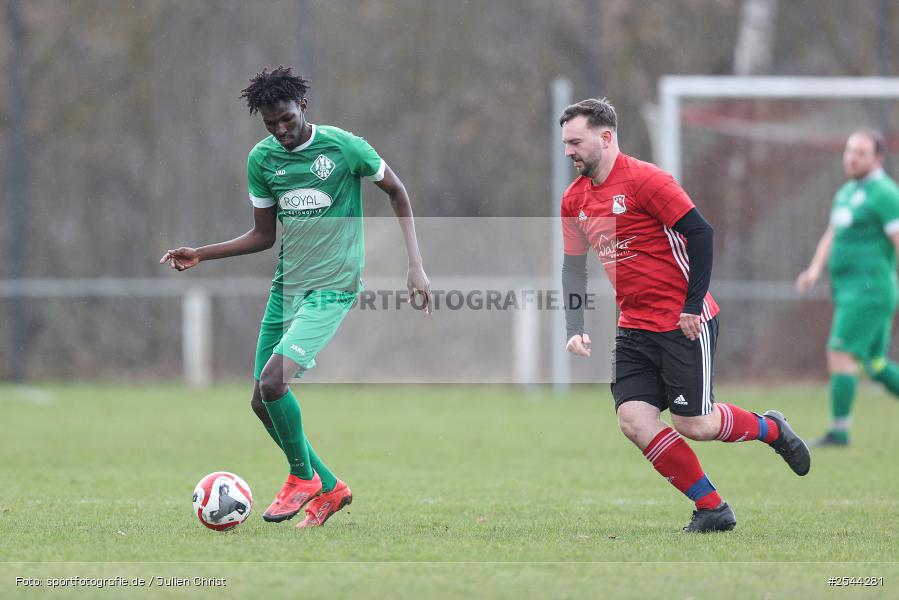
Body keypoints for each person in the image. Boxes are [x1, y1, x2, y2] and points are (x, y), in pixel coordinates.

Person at [160, 66, 431, 528]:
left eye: (286, 119)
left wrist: (415, 265)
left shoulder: (344, 147)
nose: (281, 131)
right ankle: (330, 487)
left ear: (303, 106)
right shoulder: (263, 160)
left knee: (272, 383)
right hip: (288, 286)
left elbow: (398, 191)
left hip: (333, 286)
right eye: (271, 124)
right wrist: (202, 254)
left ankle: (301, 479)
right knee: (260, 401)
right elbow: (263, 236)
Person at [559, 98, 810, 533]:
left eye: (575, 142)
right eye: (565, 143)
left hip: (682, 323)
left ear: (605, 137)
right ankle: (713, 508)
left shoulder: (645, 180)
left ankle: (771, 428)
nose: (569, 152)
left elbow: (701, 232)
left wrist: (692, 306)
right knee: (633, 420)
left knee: (696, 424)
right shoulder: (574, 199)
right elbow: (573, 268)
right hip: (634, 327)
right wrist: (574, 327)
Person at [796, 128, 899, 447]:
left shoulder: (884, 193)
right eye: (849, 151)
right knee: (876, 364)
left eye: (861, 153)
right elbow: (831, 234)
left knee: (840, 353)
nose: (852, 157)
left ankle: (839, 431)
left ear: (877, 158)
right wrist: (815, 269)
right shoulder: (846, 192)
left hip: (869, 290)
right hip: (850, 290)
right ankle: (839, 429)